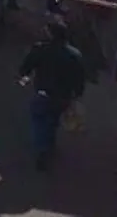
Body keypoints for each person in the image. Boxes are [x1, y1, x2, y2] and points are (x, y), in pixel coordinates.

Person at [19, 20, 88, 171]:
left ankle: (42, 148)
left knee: (38, 120)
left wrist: (24, 77)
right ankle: (49, 142)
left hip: (43, 94)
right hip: (63, 97)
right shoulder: (75, 55)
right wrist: (77, 95)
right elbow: (79, 78)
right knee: (53, 119)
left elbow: (26, 67)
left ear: (50, 33)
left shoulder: (41, 48)